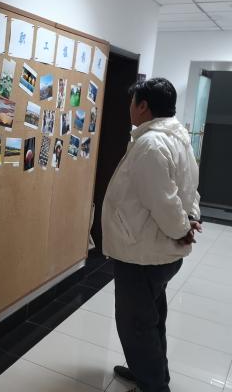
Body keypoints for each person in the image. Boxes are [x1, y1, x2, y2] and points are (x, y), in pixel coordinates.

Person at [102, 78, 201, 392]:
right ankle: (151, 374)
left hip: (143, 254)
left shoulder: (151, 144)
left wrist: (183, 229)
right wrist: (190, 219)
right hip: (157, 251)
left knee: (136, 326)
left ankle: (153, 385)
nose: (130, 108)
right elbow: (190, 189)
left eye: (132, 102)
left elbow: (164, 200)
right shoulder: (178, 138)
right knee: (151, 318)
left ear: (143, 106)